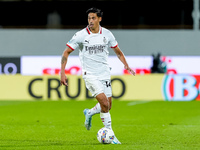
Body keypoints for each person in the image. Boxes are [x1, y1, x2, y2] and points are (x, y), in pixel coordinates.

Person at [60, 7, 135, 144]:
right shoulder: (81, 35)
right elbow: (66, 53)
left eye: (93, 18)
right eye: (89, 18)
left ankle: (89, 112)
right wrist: (62, 72)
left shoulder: (107, 34)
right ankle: (111, 135)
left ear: (100, 19)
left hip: (104, 73)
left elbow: (118, 52)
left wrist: (126, 65)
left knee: (108, 105)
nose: (91, 21)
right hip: (90, 74)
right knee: (104, 103)